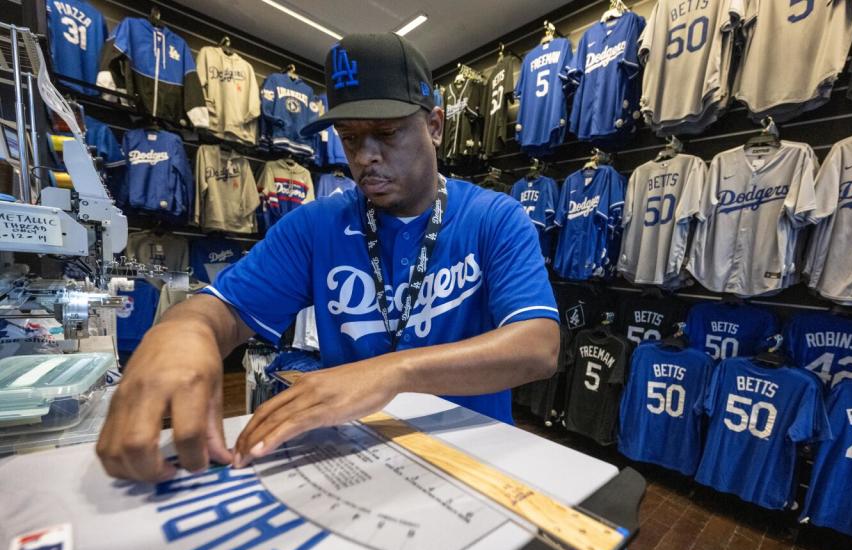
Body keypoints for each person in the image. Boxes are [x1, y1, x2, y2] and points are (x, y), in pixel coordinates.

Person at [96, 33, 561, 482]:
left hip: (475, 458)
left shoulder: (494, 216)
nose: (365, 157)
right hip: (357, 458)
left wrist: (392, 373)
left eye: (386, 133)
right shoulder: (315, 225)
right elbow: (223, 310)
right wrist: (182, 330)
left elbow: (538, 346)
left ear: (435, 126)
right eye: (351, 138)